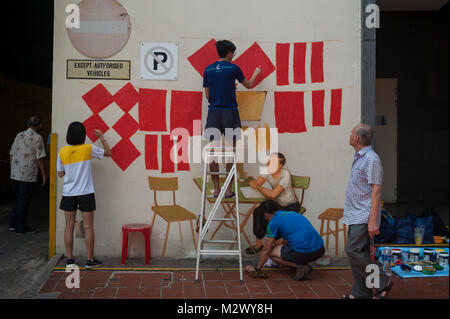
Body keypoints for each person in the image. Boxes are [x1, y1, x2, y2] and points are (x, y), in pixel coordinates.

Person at [203, 39, 261, 198]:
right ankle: (228, 189)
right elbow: (248, 85)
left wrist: (219, 98)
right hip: (230, 113)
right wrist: (256, 73)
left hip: (214, 113)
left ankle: (216, 189)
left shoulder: (208, 69)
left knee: (212, 151)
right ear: (229, 53)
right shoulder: (234, 68)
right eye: (233, 52)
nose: (234, 55)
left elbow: (207, 95)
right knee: (231, 151)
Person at [341, 123, 393, 299]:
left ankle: (382, 281)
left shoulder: (371, 159)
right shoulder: (360, 157)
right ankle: (361, 293)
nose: (349, 135)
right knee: (359, 253)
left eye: (350, 132)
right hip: (355, 214)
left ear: (357, 138)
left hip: (363, 215)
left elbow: (376, 190)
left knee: (353, 251)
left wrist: (372, 220)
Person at [57, 122, 111, 268]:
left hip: (68, 193)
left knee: (69, 227)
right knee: (88, 227)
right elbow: (108, 153)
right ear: (83, 135)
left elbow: (60, 174)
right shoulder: (88, 148)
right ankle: (90, 260)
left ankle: (70, 259)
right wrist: (102, 137)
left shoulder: (62, 151)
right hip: (85, 193)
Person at [247, 199, 325, 281]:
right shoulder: (292, 213)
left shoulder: (273, 222)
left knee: (272, 253)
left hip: (305, 253)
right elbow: (289, 237)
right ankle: (297, 263)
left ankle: (301, 267)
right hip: (319, 250)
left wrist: (257, 269)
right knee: (284, 246)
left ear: (266, 214)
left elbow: (266, 250)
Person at [246, 152, 301, 254]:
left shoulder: (285, 174)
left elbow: (273, 194)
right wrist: (255, 183)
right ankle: (258, 244)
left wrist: (257, 186)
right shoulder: (267, 170)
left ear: (281, 165)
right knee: (259, 210)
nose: (269, 164)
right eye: (269, 161)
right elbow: (257, 183)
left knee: (274, 217)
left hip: (290, 205)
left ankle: (275, 245)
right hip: (277, 204)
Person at [9, 116, 46, 234]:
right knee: (24, 201)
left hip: (15, 174)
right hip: (27, 176)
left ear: (27, 124)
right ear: (40, 126)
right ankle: (21, 228)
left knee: (16, 200)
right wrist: (44, 174)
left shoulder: (18, 135)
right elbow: (39, 157)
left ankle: (13, 224)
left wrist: (12, 169)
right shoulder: (38, 138)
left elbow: (11, 153)